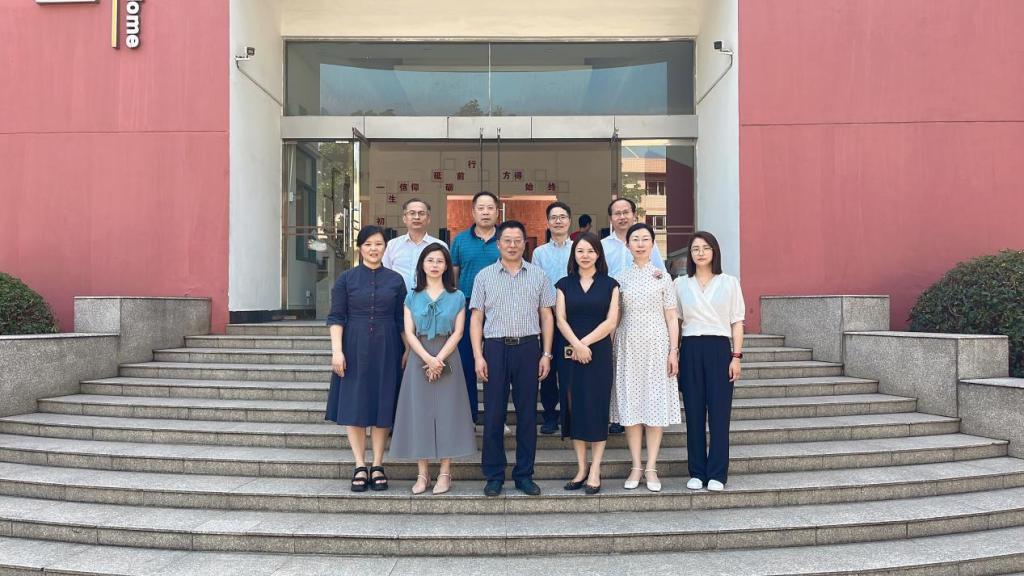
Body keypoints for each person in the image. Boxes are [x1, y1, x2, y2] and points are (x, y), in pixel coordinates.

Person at [470, 220, 556, 497]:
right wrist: (478, 355)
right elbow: (476, 318)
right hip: (494, 348)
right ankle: (494, 475)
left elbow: (547, 316)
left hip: (528, 348)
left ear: (524, 243)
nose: (512, 245)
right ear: (498, 244)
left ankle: (524, 474)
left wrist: (546, 353)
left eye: (517, 240)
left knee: (527, 414)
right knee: (493, 414)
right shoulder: (484, 276)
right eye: (507, 240)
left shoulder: (539, 275)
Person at [325, 226, 407, 493]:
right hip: (354, 346)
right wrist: (337, 351)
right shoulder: (346, 279)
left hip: (388, 346)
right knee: (355, 404)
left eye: (379, 244)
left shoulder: (396, 280)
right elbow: (336, 317)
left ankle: (378, 464)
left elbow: (401, 320)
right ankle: (360, 464)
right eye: (368, 244)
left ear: (385, 248)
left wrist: (407, 349)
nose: (374, 249)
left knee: (383, 403)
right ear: (360, 248)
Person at [389, 243, 476, 495]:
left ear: (447, 266)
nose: (435, 265)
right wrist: (428, 358)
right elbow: (409, 332)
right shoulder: (411, 297)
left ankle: (445, 473)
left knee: (448, 413)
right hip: (419, 356)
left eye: (440, 261)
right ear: (422, 265)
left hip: (448, 355)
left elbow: (458, 332)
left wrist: (439, 359)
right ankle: (422, 473)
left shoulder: (457, 296)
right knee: (420, 414)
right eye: (430, 260)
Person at [611, 223, 680, 493]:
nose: (640, 244)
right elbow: (615, 318)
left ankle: (651, 466)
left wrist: (673, 350)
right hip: (627, 347)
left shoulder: (663, 277)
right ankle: (636, 465)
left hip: (657, 347)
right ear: (627, 245)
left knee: (654, 405)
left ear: (653, 244)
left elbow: (672, 317)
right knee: (631, 407)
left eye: (645, 239)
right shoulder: (619, 278)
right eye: (635, 239)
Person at [675, 231, 745, 492]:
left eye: (705, 248)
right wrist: (675, 352)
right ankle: (696, 471)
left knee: (719, 414)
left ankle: (717, 473)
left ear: (714, 251)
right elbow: (676, 322)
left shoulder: (729, 283)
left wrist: (736, 356)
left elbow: (737, 322)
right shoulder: (680, 284)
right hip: (691, 348)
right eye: (695, 249)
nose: (700, 253)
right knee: (693, 413)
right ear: (690, 254)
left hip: (719, 349)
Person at [554, 233, 620, 495]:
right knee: (575, 408)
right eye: (580, 251)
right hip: (570, 352)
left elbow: (611, 321)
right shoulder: (563, 284)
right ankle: (581, 469)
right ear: (574, 255)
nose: (585, 255)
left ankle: (595, 470)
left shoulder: (610, 284)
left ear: (598, 255)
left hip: (599, 352)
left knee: (596, 407)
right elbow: (560, 319)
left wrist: (585, 344)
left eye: (590, 251)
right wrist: (577, 345)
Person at [601, 198, 667, 435]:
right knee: (618, 366)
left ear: (634, 214)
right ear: (611, 218)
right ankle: (619, 414)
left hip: (642, 315)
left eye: (625, 212)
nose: (622, 217)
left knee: (640, 371)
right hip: (608, 310)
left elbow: (659, 274)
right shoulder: (603, 246)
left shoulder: (647, 243)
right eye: (617, 213)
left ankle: (646, 413)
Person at [450, 191, 500, 424]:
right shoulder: (460, 240)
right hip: (468, 306)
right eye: (481, 208)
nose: (485, 212)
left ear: (497, 212)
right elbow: (453, 276)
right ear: (473, 212)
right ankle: (469, 415)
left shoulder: (505, 239)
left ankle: (495, 417)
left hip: (499, 308)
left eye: (490, 208)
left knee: (497, 365)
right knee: (467, 362)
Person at [530, 201, 573, 435]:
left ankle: (570, 415)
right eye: (554, 217)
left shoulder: (578, 248)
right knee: (548, 367)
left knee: (570, 370)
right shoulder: (539, 253)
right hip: (547, 317)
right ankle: (549, 415)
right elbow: (537, 283)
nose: (558, 221)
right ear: (547, 222)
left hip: (573, 319)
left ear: (569, 221)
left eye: (562, 217)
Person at [382, 198, 448, 290]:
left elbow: (446, 277)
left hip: (430, 298)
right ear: (404, 218)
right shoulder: (392, 245)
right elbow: (385, 275)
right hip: (398, 297)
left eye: (421, 213)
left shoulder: (440, 246)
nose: (417, 217)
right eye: (412, 213)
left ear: (428, 219)